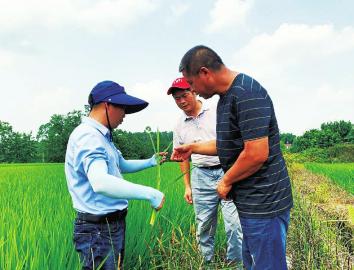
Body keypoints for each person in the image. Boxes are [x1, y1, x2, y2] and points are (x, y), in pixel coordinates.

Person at [171, 45, 293, 270]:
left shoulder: (247, 93)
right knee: (254, 262)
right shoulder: (226, 98)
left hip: (264, 202)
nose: (194, 91)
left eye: (192, 84)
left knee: (267, 265)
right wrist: (192, 148)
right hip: (250, 201)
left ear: (205, 72)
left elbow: (256, 153)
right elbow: (227, 144)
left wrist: (225, 181)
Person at [65, 80, 165, 270]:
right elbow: (100, 182)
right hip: (97, 230)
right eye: (123, 108)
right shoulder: (88, 136)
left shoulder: (102, 136)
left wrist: (151, 161)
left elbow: (121, 165)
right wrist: (150, 194)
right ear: (107, 105)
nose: (125, 115)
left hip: (111, 225)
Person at [167, 77, 243, 266]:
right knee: (204, 226)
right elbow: (182, 157)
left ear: (193, 91)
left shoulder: (216, 112)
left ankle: (235, 265)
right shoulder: (179, 126)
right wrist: (187, 186)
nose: (182, 101)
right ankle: (206, 264)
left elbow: (231, 142)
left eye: (184, 95)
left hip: (227, 172)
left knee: (234, 225)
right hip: (200, 175)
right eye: (177, 99)